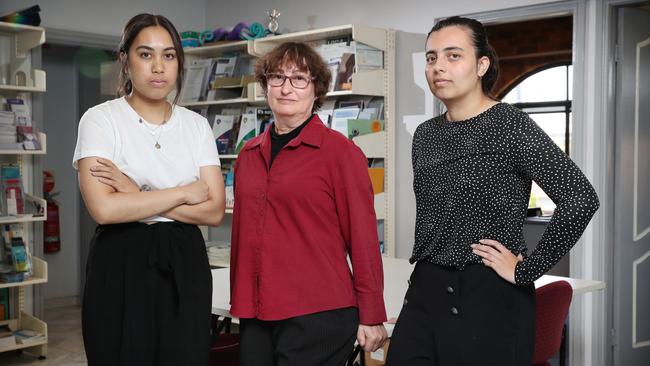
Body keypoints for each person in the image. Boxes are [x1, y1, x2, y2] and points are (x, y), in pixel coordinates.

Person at [385, 16, 599, 366]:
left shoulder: (510, 125)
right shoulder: (425, 135)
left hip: (488, 296)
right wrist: (421, 309)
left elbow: (580, 198)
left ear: (481, 64)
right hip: (426, 291)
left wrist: (527, 269)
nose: (439, 66)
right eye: (431, 57)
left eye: (453, 56)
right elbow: (438, 219)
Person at [72, 13, 225, 366]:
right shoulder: (100, 119)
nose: (159, 67)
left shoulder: (196, 126)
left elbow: (215, 210)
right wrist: (184, 192)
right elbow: (105, 210)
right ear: (125, 60)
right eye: (146, 54)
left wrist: (134, 191)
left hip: (185, 260)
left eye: (169, 56)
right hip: (121, 259)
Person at [229, 41, 388, 366]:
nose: (286, 88)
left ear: (317, 89)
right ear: (265, 86)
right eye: (276, 77)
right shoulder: (247, 154)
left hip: (319, 313)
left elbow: (363, 239)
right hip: (256, 312)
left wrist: (371, 313)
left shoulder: (341, 154)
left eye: (299, 79)